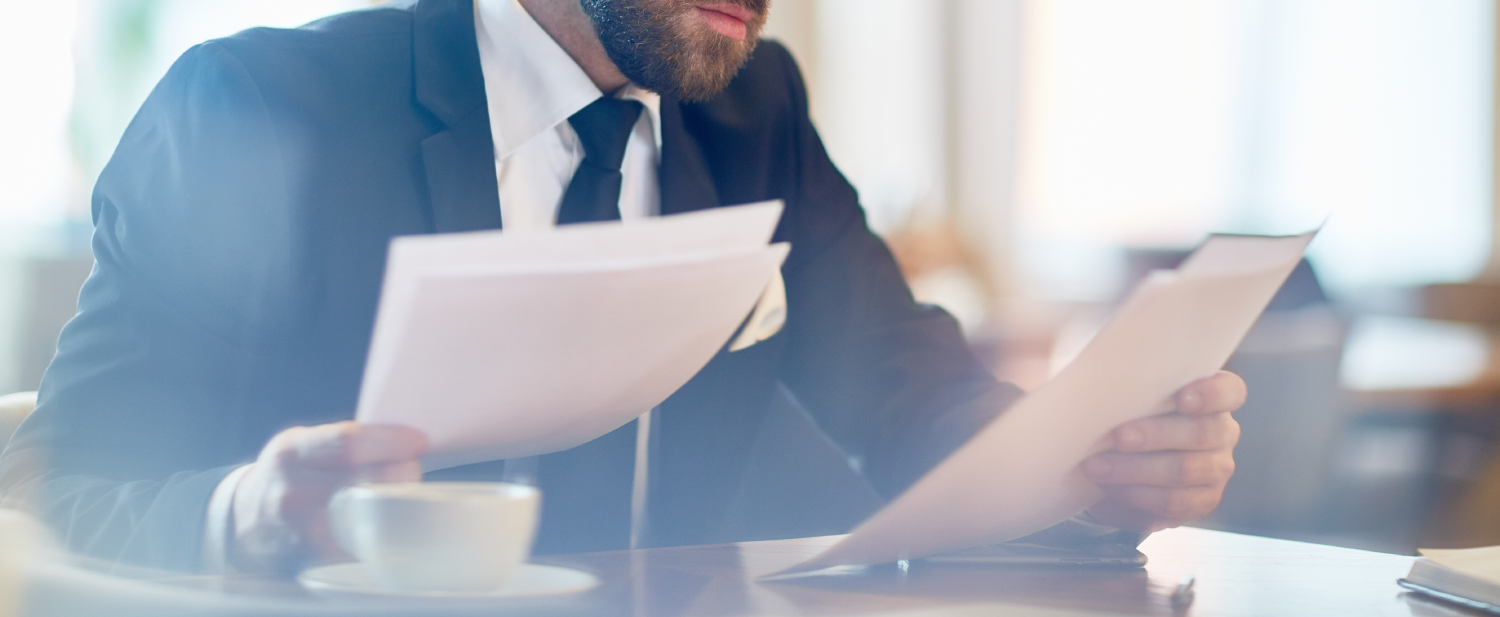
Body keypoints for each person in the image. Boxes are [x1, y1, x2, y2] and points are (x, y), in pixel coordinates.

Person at [0, 0, 1245, 575]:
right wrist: (248, 512)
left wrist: (1092, 466)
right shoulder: (255, 108)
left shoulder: (759, 116)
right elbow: (56, 486)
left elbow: (914, 400)